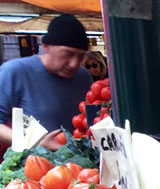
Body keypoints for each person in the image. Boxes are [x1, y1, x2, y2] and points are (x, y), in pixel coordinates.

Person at [0, 14, 93, 150]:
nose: (74, 64)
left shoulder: (84, 77)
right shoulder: (15, 71)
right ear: (46, 47)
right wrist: (35, 143)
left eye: (81, 56)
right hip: (31, 167)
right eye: (67, 54)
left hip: (79, 167)